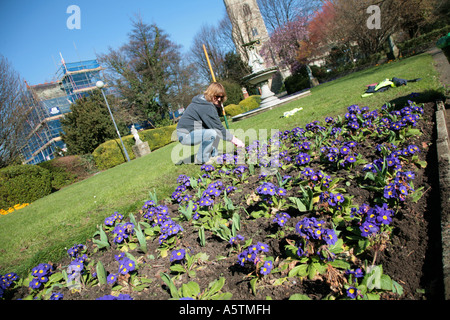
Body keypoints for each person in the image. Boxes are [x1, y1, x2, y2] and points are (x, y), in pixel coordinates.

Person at [176, 82, 245, 164]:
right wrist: (235, 140)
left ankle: (214, 155)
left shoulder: (203, 101)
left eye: (221, 97)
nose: (219, 99)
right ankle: (201, 159)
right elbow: (218, 128)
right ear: (211, 94)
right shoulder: (205, 106)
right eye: (217, 96)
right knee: (212, 132)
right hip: (185, 135)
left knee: (213, 132)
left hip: (193, 131)